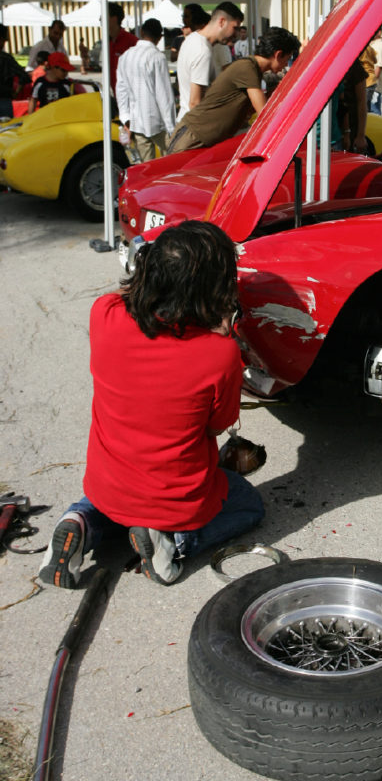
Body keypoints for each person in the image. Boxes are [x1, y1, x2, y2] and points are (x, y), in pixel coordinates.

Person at [39, 221, 265, 589]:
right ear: (215, 289)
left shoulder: (105, 313)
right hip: (173, 499)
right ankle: (172, 542)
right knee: (248, 505)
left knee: (113, 498)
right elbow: (216, 425)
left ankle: (79, 521)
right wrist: (223, 333)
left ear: (147, 268)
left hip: (106, 482)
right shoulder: (219, 353)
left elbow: (130, 297)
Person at [168, 26, 299, 154]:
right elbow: (264, 113)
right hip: (191, 138)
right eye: (287, 59)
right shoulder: (247, 68)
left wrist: (280, 88)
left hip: (201, 139)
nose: (286, 65)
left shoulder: (253, 70)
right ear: (278, 54)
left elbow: (251, 109)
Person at [115, 18, 176, 161]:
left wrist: (125, 117)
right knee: (172, 162)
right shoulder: (157, 57)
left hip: (136, 121)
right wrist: (172, 127)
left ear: (141, 32)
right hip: (158, 122)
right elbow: (164, 95)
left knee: (146, 168)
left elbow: (121, 89)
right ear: (160, 38)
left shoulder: (125, 56)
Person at [176, 2, 243, 120]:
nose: (236, 34)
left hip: (187, 122)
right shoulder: (202, 50)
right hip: (194, 127)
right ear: (222, 22)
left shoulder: (193, 39)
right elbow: (195, 103)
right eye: (235, 28)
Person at [0, 24, 30, 118]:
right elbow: (25, 76)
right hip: (4, 100)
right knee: (6, 130)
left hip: (5, 100)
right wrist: (16, 93)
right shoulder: (6, 58)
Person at [107, 2, 138, 90]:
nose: (101, 19)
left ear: (114, 19)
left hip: (130, 95)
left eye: (105, 16)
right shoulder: (106, 42)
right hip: (115, 94)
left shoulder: (132, 41)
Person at [367, 30, 382, 115]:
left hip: (373, 89)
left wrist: (371, 84)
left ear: (379, 32)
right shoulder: (373, 44)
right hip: (370, 87)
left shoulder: (379, 46)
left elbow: (379, 67)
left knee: (374, 113)